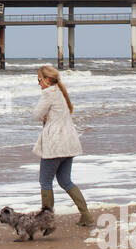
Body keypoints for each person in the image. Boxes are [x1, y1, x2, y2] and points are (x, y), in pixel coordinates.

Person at [33, 64, 93, 225]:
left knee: (45, 182)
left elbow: (36, 114)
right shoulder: (61, 92)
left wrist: (44, 118)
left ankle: (47, 221)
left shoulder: (48, 94)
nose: (38, 83)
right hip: (69, 143)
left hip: (54, 144)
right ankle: (86, 215)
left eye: (39, 80)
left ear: (46, 80)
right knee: (65, 181)